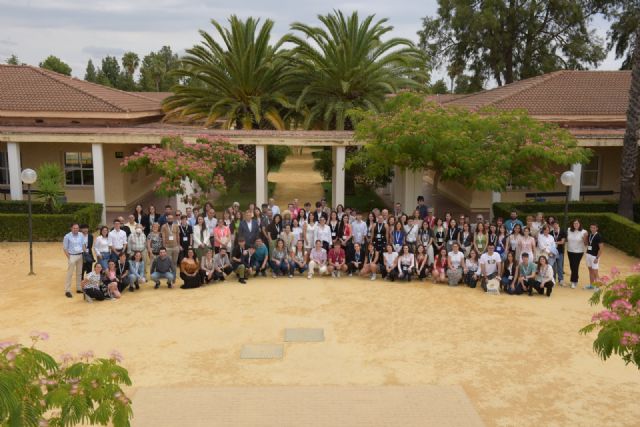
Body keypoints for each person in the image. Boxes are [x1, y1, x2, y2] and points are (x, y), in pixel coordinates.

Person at [63, 223, 85, 298]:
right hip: (72, 256)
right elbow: (65, 248)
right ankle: (67, 290)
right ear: (71, 228)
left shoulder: (81, 235)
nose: (76, 229)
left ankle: (78, 288)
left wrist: (84, 253)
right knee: (70, 273)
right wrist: (69, 257)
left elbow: (83, 244)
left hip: (80, 255)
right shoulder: (67, 236)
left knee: (79, 273)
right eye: (74, 228)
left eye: (77, 228)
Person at [566, 219, 587, 289]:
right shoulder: (569, 230)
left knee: (575, 266)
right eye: (574, 223)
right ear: (572, 224)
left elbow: (586, 244)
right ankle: (576, 277)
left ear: (580, 224)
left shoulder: (584, 232)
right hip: (569, 251)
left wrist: (584, 238)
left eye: (577, 223)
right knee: (572, 266)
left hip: (579, 252)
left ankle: (573, 281)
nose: (576, 225)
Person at [585, 223, 604, 290]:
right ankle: (591, 285)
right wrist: (584, 237)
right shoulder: (589, 235)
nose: (592, 229)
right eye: (591, 227)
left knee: (595, 271)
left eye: (594, 228)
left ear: (596, 228)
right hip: (588, 254)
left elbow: (601, 248)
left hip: (594, 256)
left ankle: (598, 287)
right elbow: (586, 244)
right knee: (590, 270)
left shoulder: (599, 236)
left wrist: (597, 257)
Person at [551, 221, 567, 286]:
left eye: (556, 224)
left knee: (560, 266)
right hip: (553, 252)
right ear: (552, 226)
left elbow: (562, 242)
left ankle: (561, 280)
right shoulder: (550, 232)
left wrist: (555, 243)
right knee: (553, 266)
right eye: (554, 225)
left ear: (558, 225)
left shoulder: (563, 232)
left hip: (560, 252)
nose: (555, 226)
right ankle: (553, 279)